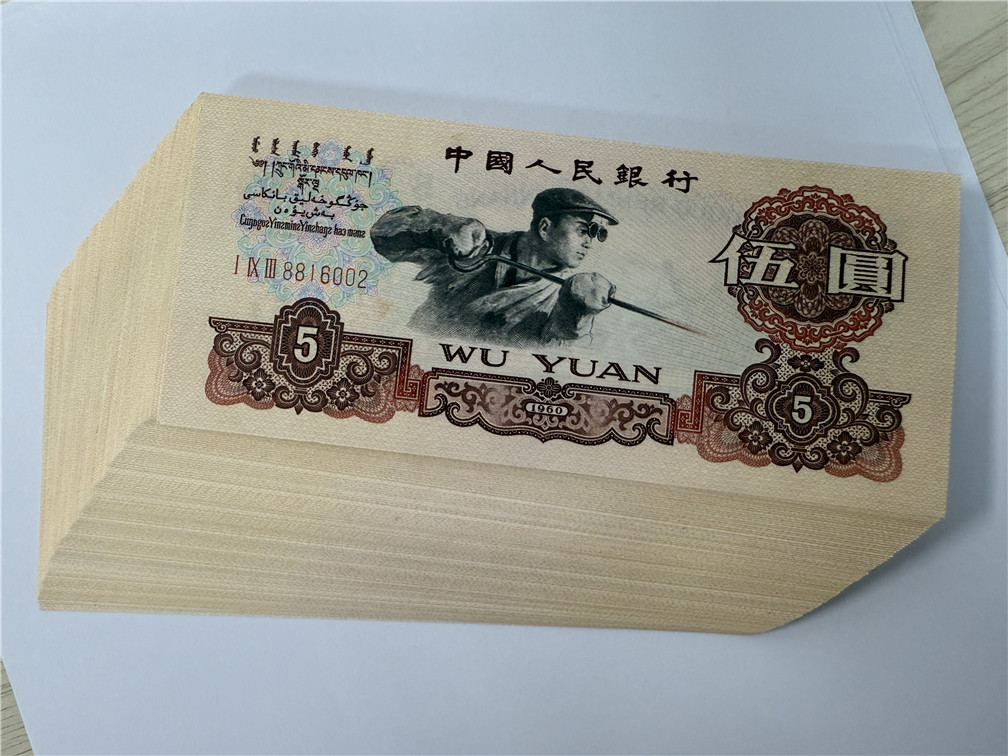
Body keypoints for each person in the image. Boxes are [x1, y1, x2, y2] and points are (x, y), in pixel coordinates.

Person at [370, 187, 618, 347]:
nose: (589, 243)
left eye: (596, 234)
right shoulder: (474, 245)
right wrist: (439, 227)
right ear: (545, 228)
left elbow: (554, 350)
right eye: (583, 230)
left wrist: (580, 313)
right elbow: (383, 234)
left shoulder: (569, 297)